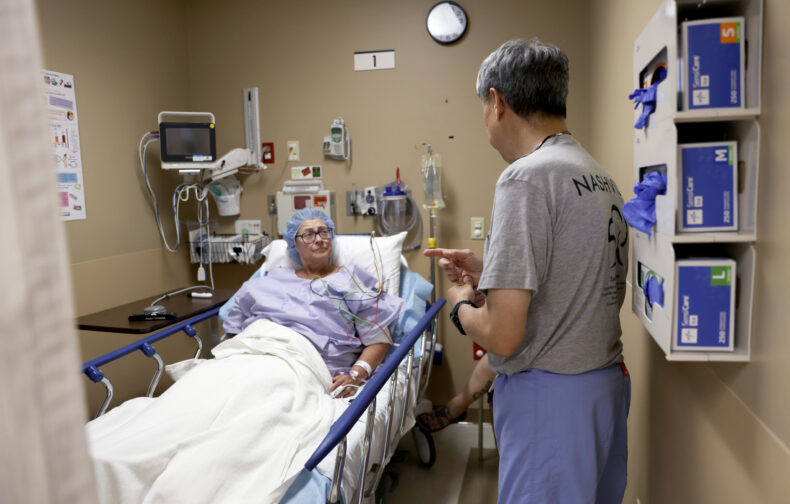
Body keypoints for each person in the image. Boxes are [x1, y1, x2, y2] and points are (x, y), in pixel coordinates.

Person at [426, 38, 630, 503]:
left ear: (497, 101)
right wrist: (491, 270)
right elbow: (573, 271)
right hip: (602, 388)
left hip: (550, 403)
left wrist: (460, 305)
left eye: (483, 108)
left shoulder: (526, 177)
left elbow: (502, 336)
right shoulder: (595, 173)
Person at [223, 207, 405, 398]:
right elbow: (235, 331)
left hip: (308, 370)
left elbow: (379, 339)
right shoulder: (269, 281)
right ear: (294, 244)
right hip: (256, 361)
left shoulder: (351, 281)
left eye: (324, 232)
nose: (319, 239)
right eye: (308, 235)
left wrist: (356, 375)